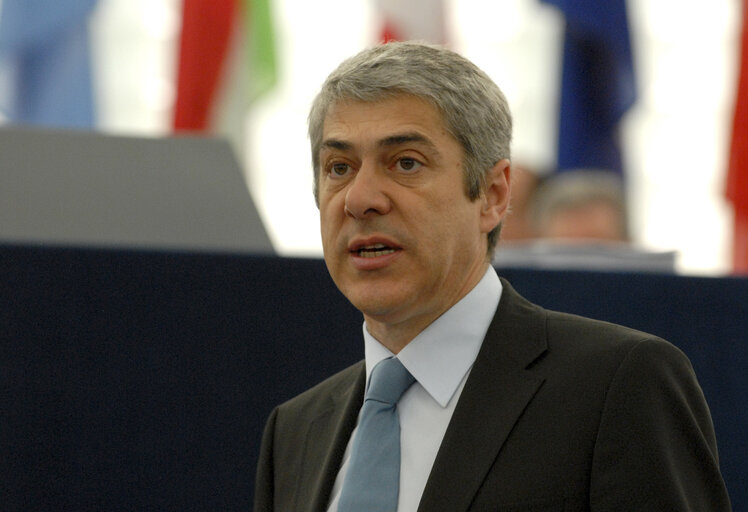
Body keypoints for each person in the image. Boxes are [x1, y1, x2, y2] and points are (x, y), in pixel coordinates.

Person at [254, 42, 731, 511]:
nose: (360, 199)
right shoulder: (297, 430)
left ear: (493, 195)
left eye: (405, 163)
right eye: (339, 167)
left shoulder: (618, 387)